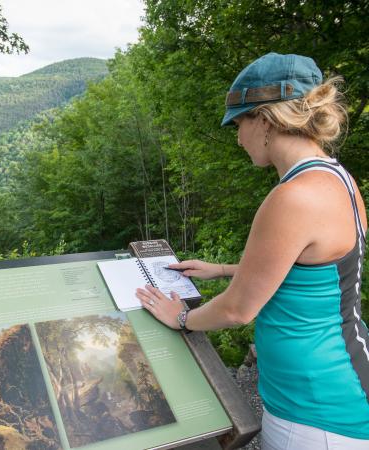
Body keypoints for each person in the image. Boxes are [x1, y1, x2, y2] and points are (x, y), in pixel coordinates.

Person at [135, 52, 369, 450]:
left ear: (264, 119)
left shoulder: (293, 197)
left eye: (238, 123)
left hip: (313, 414)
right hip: (346, 377)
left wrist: (181, 318)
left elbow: (237, 310)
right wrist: (224, 268)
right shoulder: (337, 178)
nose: (238, 137)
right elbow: (307, 269)